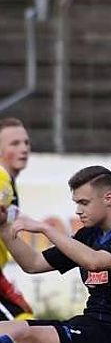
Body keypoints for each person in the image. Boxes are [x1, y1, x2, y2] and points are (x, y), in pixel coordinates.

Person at [0, 166, 111, 343]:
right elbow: (33, 263)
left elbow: (95, 262)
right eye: (77, 203)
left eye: (84, 203)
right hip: (91, 326)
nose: (78, 211)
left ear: (108, 198)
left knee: (23, 337)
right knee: (7, 328)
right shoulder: (88, 235)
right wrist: (4, 227)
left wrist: (45, 228)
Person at [0, 118, 35, 321]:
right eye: (14, 143)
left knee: (25, 320)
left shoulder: (8, 182)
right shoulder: (1, 178)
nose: (23, 149)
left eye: (26, 142)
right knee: (23, 325)